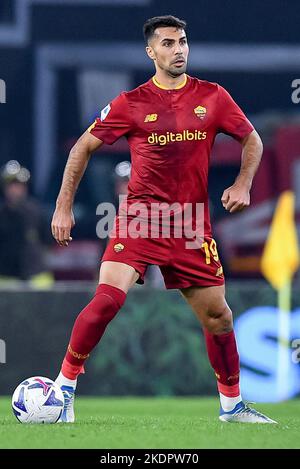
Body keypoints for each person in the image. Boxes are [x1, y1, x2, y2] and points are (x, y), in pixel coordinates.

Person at [51, 15, 276, 424]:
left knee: (219, 316)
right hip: (140, 217)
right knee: (106, 300)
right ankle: (62, 389)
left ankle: (232, 406)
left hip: (190, 223)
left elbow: (252, 139)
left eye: (183, 42)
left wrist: (243, 184)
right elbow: (81, 148)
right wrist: (63, 206)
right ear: (151, 52)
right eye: (169, 44)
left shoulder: (213, 96)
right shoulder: (130, 103)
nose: (179, 50)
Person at [0, 160, 52, 286]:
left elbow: (48, 241)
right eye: (12, 185)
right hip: (6, 277)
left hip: (36, 276)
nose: (16, 189)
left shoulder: (37, 212)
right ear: (5, 187)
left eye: (19, 185)